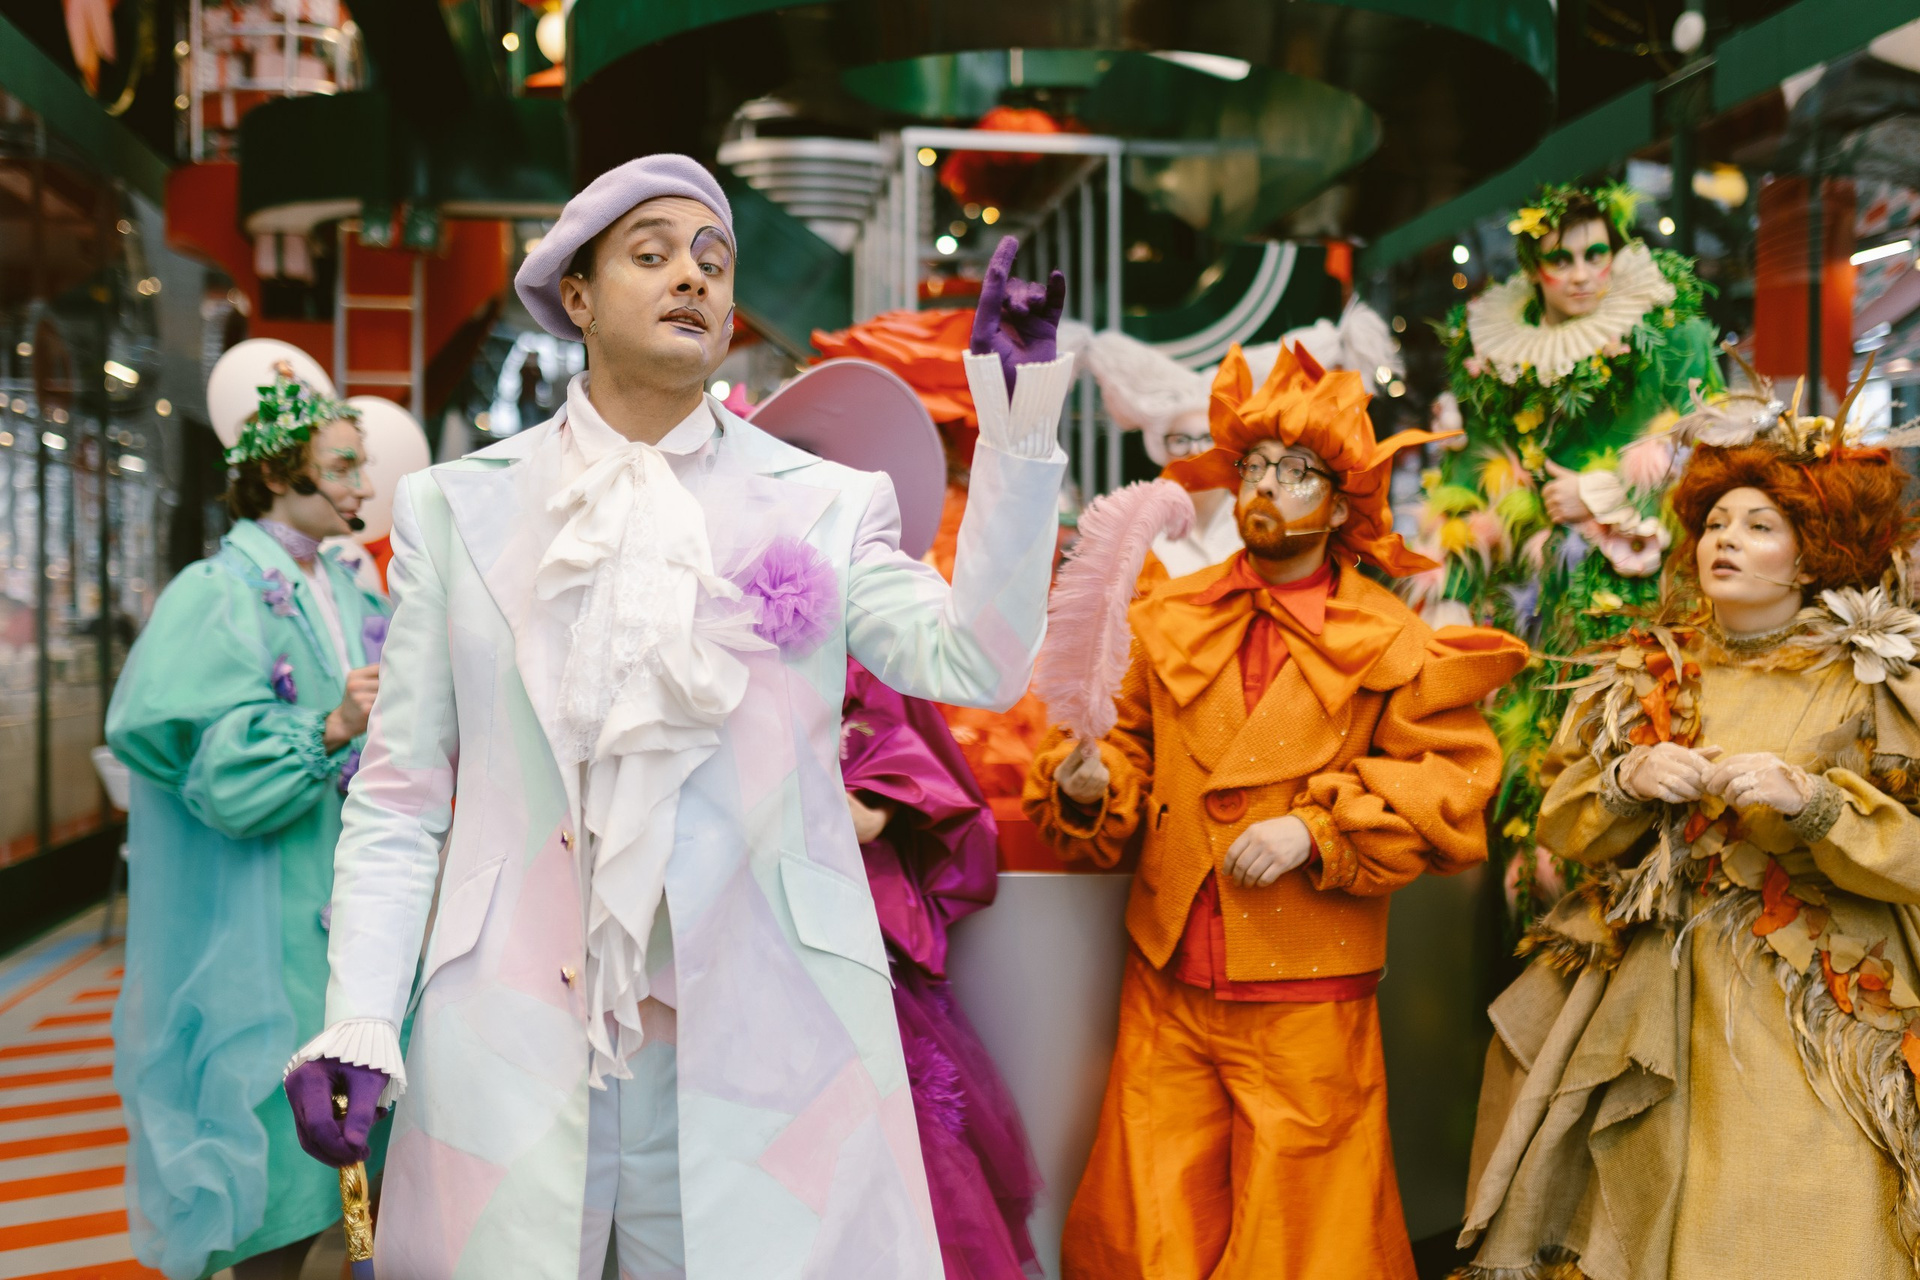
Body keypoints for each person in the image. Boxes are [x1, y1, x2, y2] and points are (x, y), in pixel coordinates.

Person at [279, 154, 1074, 1277]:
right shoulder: (454, 507)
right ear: (579, 296)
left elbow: (977, 658)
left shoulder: (825, 500)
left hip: (765, 1028)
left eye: (713, 260)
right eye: (650, 255)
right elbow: (403, 795)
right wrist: (359, 1009)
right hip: (513, 1023)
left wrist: (1020, 428)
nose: (691, 277)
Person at [1023, 342, 1526, 1279]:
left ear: (1339, 506)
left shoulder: (1393, 639)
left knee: (1303, 1236)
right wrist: (1087, 783)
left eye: (1298, 472)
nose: (1267, 484)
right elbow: (1119, 744)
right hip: (1169, 973)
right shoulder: (1167, 614)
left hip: (1306, 983)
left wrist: (1317, 830)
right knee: (1149, 1216)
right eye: (1255, 464)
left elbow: (1448, 780)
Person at [1456, 382, 1920, 1278]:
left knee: (1808, 1211)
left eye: (1758, 526)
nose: (1724, 541)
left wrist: (1814, 803)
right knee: (1649, 1197)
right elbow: (1565, 825)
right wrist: (1626, 781)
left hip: (1814, 1007)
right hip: (1652, 998)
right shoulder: (1646, 670)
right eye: (1714, 523)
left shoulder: (1873, 681)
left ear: (1812, 553)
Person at [108, 351, 387, 1280]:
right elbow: (201, 765)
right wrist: (328, 728)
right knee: (276, 1151)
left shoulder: (351, 584)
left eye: (362, 465)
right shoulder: (216, 593)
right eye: (342, 466)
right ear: (275, 475)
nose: (363, 485)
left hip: (357, 911)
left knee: (359, 1149)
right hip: (264, 924)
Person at [1413, 182, 1723, 918]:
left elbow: (1715, 454)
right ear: (1533, 268)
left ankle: (1628, 946)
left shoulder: (1671, 334)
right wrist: (1454, 576)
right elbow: (1469, 480)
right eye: (1561, 259)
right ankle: (1535, 950)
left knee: (1628, 758)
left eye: (1596, 253)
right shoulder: (1491, 352)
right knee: (1530, 775)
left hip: (1637, 600)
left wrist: (1606, 493)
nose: (1582, 273)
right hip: (1526, 603)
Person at [1068, 300, 1405, 585]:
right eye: (1180, 439)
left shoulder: (1262, 524)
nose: (1194, 450)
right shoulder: (1134, 530)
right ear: (1160, 446)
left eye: (1206, 437)